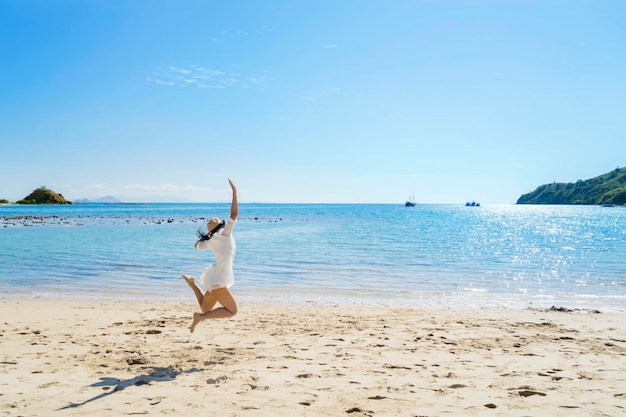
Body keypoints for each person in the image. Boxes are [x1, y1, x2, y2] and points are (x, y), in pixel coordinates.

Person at [182, 178, 238, 333]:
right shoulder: (225, 233)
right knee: (232, 311)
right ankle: (200, 318)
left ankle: (193, 285)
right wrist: (234, 192)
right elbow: (234, 214)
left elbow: (197, 246)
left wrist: (206, 236)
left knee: (205, 307)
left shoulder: (211, 240)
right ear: (221, 225)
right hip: (219, 279)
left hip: (215, 277)